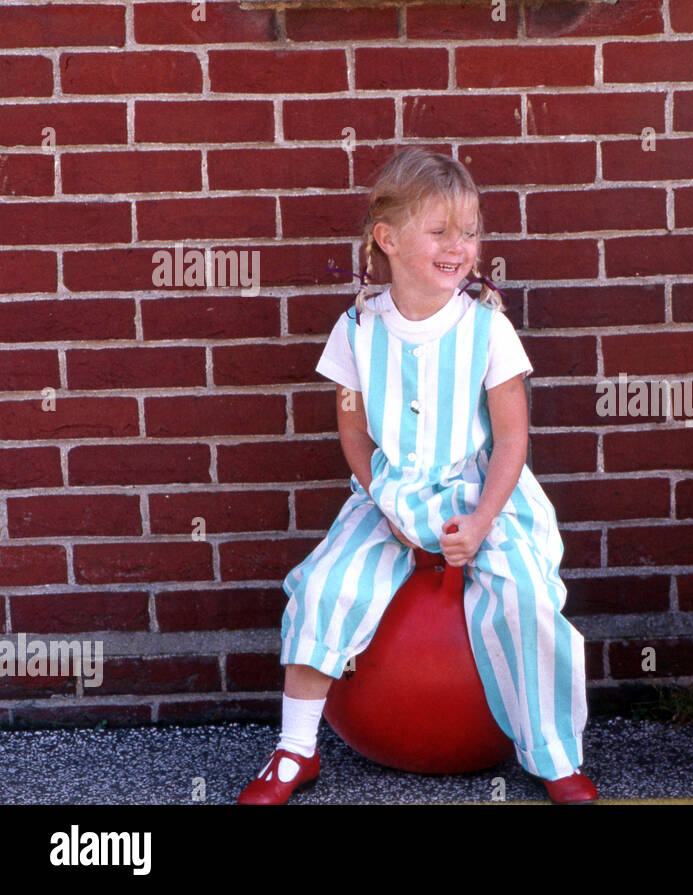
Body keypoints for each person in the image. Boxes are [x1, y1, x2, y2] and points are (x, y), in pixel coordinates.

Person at [238, 147, 596, 804]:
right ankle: (294, 750)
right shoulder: (356, 330)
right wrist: (385, 502)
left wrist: (484, 520)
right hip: (388, 492)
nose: (459, 246)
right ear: (389, 238)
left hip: (481, 493)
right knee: (323, 586)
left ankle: (553, 753)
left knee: (524, 596)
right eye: (441, 230)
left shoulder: (488, 329)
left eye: (470, 230)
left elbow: (512, 436)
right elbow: (353, 432)